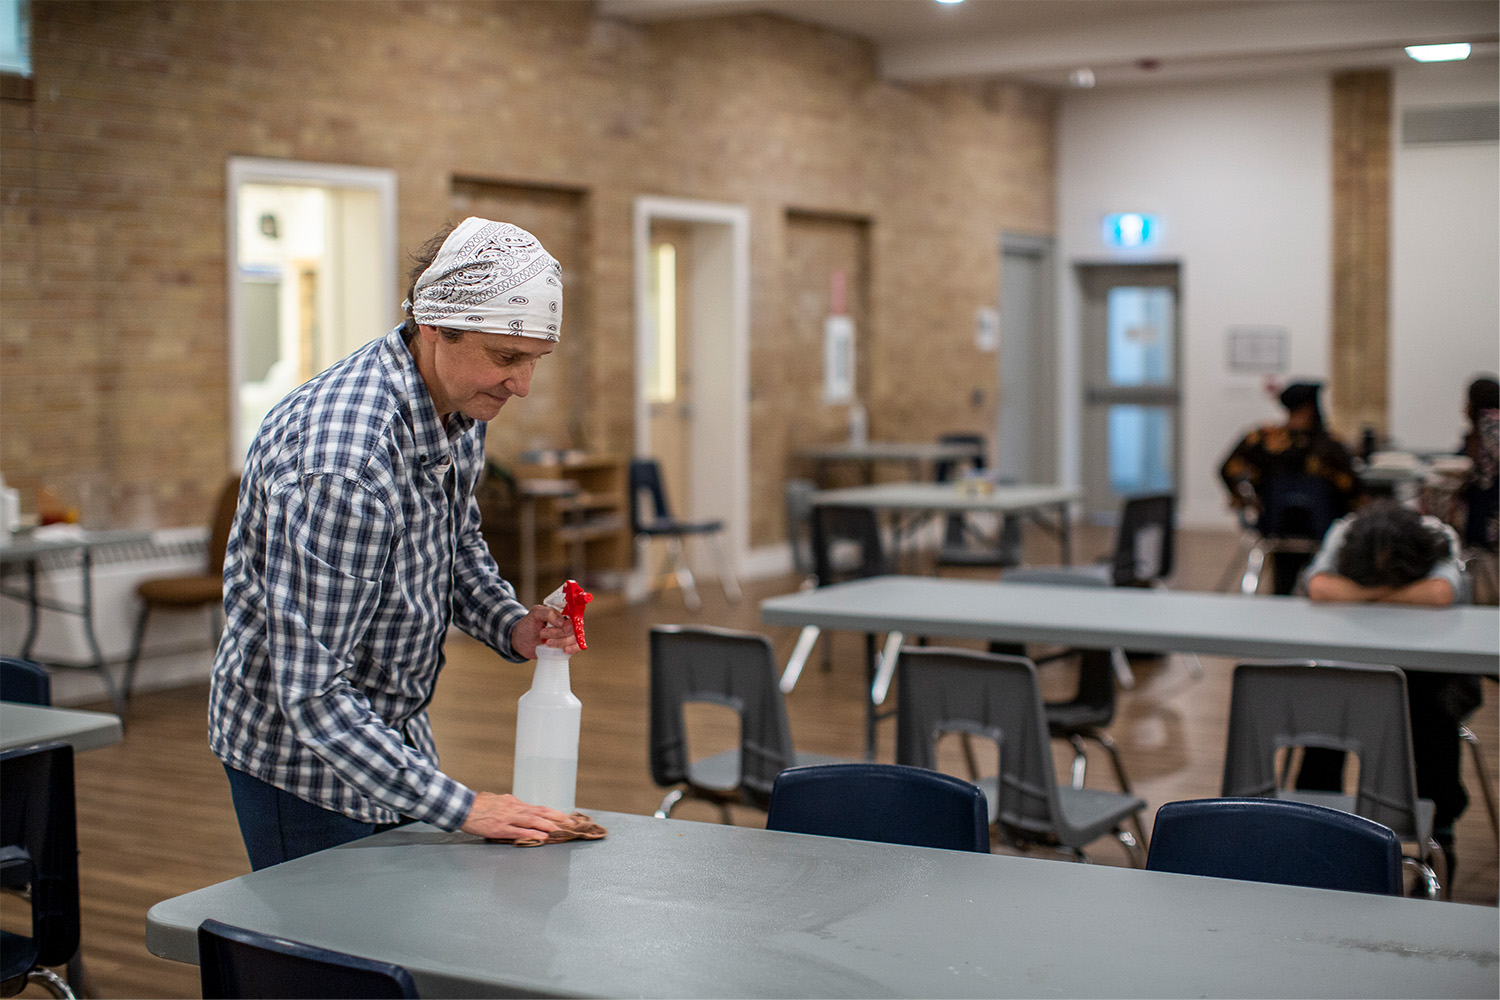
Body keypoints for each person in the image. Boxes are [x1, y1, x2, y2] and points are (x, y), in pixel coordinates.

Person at [209, 218, 579, 870]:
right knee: (330, 960)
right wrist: (467, 808)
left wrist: (514, 626)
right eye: (506, 358)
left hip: (391, 730)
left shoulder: (459, 406)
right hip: (301, 759)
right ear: (434, 327)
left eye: (534, 361)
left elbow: (453, 540)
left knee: (395, 934)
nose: (522, 385)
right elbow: (313, 696)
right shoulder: (344, 462)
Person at [1299, 499, 1479, 875]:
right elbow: (1317, 585)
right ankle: (1310, 821)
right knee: (1325, 702)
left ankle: (1439, 833)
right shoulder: (1344, 530)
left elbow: (1442, 593)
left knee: (1434, 708)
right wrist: (1399, 595)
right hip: (1354, 669)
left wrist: (1360, 594)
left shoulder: (1437, 534)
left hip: (1425, 677)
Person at [1219, 380, 1362, 594]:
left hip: (1274, 525)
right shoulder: (1330, 445)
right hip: (1323, 529)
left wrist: (1248, 501)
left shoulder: (1261, 439)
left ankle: (1282, 596)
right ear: (1311, 408)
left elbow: (1226, 469)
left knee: (1285, 566)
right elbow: (1354, 490)